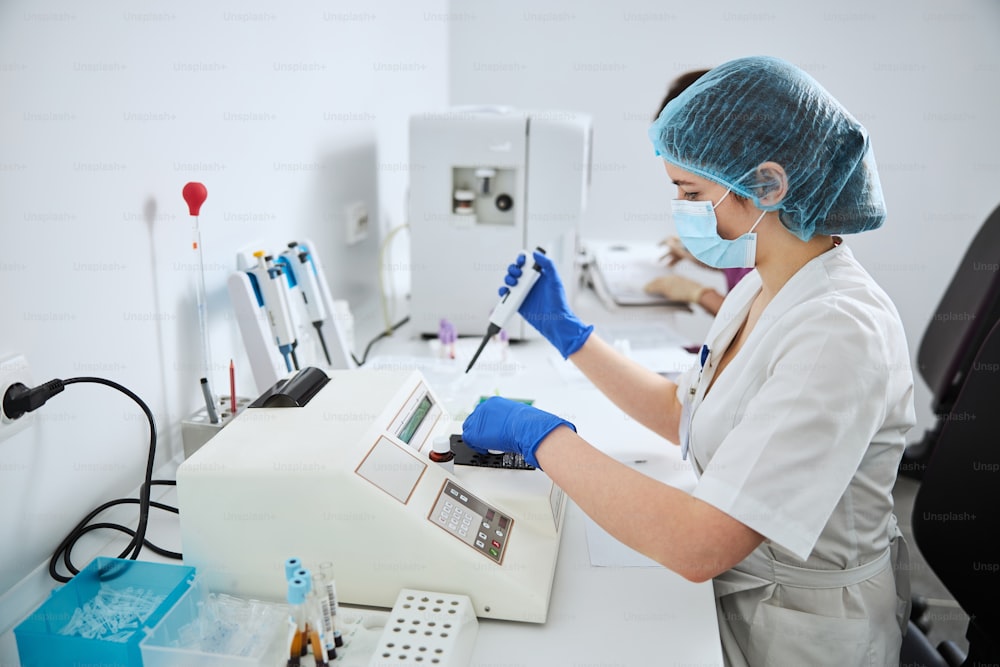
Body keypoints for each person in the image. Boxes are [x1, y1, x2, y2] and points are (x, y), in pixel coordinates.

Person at [461, 56, 915, 666]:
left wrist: (539, 437)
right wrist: (570, 336)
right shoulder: (766, 283)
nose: (680, 209)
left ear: (769, 185)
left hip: (801, 633)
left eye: (690, 192)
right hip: (746, 595)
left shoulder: (839, 332)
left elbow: (699, 543)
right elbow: (687, 409)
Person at [643, 68, 753, 316]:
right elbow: (744, 268)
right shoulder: (747, 229)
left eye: (692, 194)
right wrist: (701, 255)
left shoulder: (759, 218)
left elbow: (755, 324)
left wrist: (700, 294)